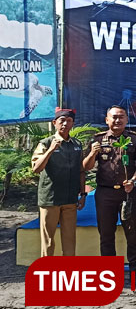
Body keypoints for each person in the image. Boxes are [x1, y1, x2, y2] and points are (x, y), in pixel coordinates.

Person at [82, 105, 136, 274]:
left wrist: (133, 180)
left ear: (127, 120)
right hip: (105, 193)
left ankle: (134, 271)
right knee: (106, 235)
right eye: (114, 117)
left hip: (129, 192)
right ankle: (109, 273)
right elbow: (85, 166)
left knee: (133, 234)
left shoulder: (134, 139)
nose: (118, 120)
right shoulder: (97, 140)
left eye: (121, 117)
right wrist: (91, 154)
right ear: (107, 120)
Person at [31, 107, 86, 256]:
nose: (65, 124)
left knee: (69, 239)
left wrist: (83, 194)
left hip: (70, 199)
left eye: (69, 121)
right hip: (50, 199)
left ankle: (67, 273)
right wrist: (50, 150)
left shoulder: (76, 144)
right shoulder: (45, 143)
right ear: (54, 122)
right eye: (62, 121)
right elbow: (36, 168)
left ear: (72, 124)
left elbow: (81, 170)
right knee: (48, 240)